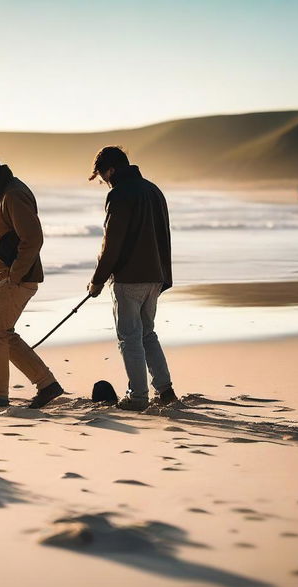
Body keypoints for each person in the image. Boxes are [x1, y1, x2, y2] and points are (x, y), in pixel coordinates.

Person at [0, 146, 63, 409]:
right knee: (3, 333)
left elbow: (33, 239)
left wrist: (14, 276)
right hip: (8, 275)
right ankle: (47, 384)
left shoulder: (14, 195)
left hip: (18, 278)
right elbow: (2, 241)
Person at [87, 146, 177, 411]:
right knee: (147, 333)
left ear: (111, 170)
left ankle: (137, 396)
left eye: (103, 177)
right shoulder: (153, 190)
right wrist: (163, 277)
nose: (104, 183)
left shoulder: (119, 194)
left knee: (129, 337)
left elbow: (111, 243)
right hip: (155, 275)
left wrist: (98, 280)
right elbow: (164, 235)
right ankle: (165, 390)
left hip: (130, 278)